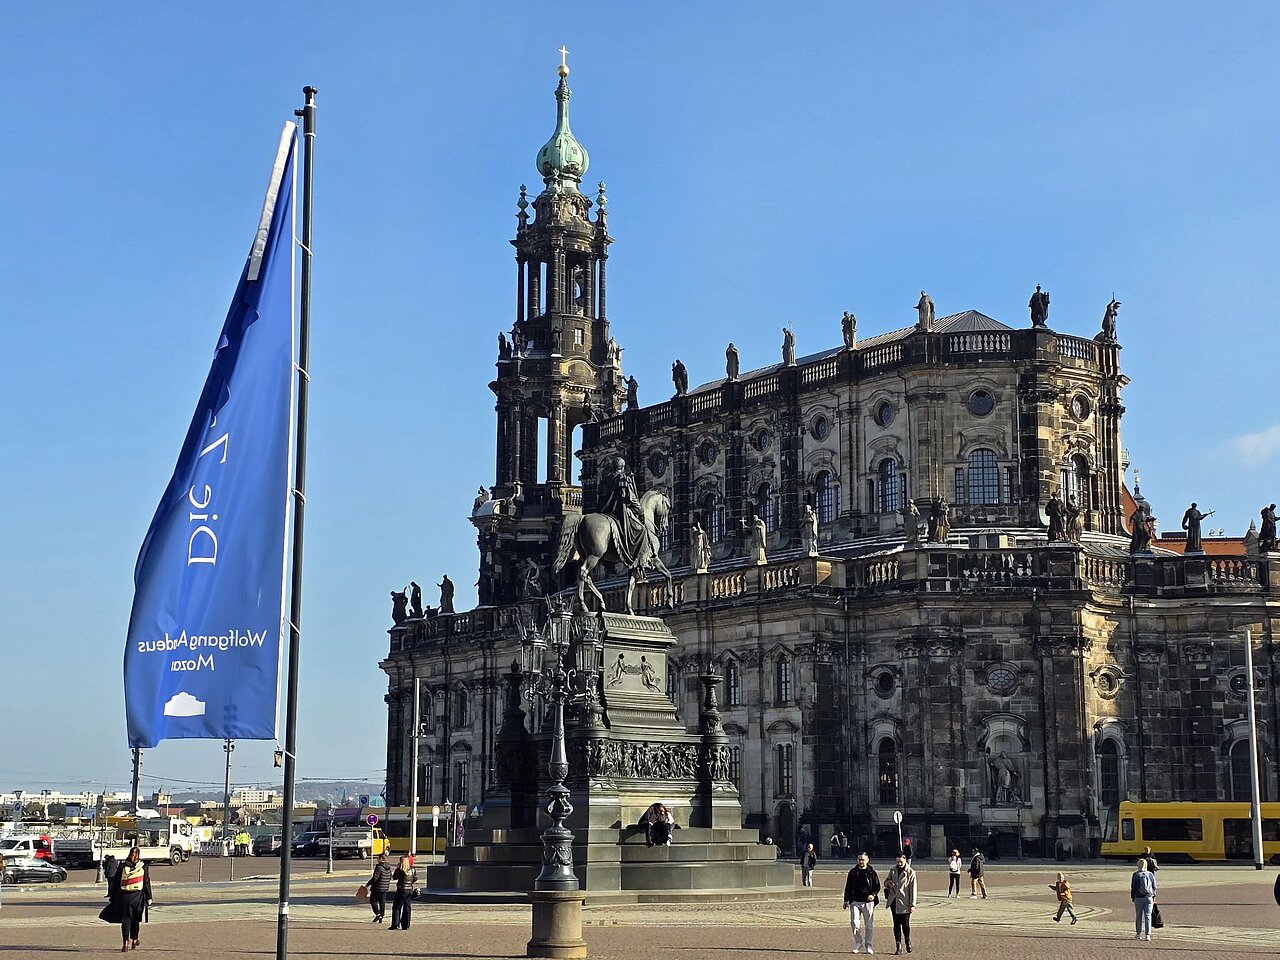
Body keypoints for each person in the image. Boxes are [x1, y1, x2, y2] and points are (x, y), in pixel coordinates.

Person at [99, 846, 151, 953]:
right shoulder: (143, 866)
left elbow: (116, 882)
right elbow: (146, 882)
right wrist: (149, 896)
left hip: (124, 896)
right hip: (137, 896)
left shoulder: (122, 866)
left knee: (125, 920)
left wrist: (112, 896)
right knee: (136, 919)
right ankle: (134, 939)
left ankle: (125, 943)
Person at [842, 850, 881, 955]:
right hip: (855, 901)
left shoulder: (872, 872)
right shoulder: (853, 872)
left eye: (863, 860)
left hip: (868, 902)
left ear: (867, 860)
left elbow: (877, 886)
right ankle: (858, 942)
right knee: (854, 923)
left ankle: (868, 945)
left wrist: (873, 894)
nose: (861, 862)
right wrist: (846, 899)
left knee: (869, 925)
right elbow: (848, 886)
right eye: (859, 860)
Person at [883, 853, 917, 954]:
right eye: (897, 862)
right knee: (896, 924)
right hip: (894, 901)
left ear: (905, 860)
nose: (899, 863)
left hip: (905, 901)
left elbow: (913, 889)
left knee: (905, 924)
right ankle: (898, 945)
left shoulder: (911, 872)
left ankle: (907, 940)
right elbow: (886, 882)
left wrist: (912, 904)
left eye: (901, 861)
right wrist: (889, 883)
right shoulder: (893, 870)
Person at [1131, 857, 1157, 942]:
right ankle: (1148, 935)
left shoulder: (1136, 874)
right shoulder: (1150, 874)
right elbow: (1154, 886)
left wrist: (1133, 897)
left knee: (1138, 915)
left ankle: (1138, 934)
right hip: (1149, 897)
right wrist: (1154, 896)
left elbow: (1133, 887)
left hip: (1139, 897)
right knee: (1148, 916)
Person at [388, 854, 415, 930]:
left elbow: (394, 877)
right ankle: (406, 925)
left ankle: (395, 924)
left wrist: (397, 868)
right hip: (409, 889)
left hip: (401, 889)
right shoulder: (412, 870)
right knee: (407, 907)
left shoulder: (400, 870)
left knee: (397, 906)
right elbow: (415, 878)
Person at [366, 852, 394, 924]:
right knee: (382, 902)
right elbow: (390, 876)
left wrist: (368, 884)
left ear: (381, 859)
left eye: (378, 858)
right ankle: (382, 915)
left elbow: (375, 877)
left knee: (373, 901)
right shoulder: (389, 867)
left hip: (377, 887)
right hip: (385, 888)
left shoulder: (379, 867)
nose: (377, 860)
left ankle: (377, 914)